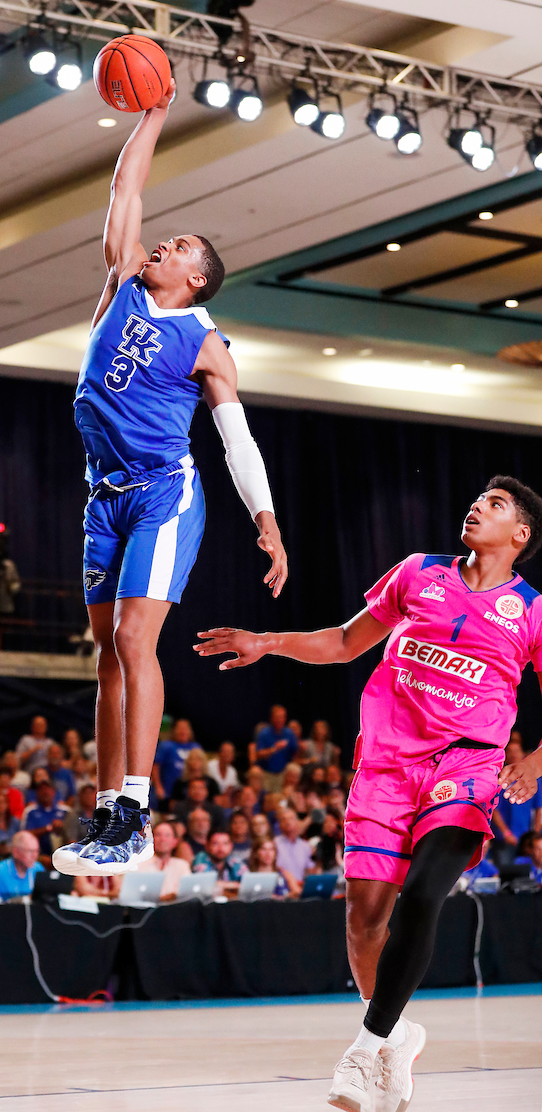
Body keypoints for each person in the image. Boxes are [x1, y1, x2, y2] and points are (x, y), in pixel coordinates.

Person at [195, 474, 542, 1112]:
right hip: (383, 766)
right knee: (364, 920)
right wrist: (266, 643)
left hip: (464, 769)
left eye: (494, 506)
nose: (475, 506)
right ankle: (397, 1035)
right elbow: (344, 642)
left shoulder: (533, 611)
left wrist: (538, 758)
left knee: (424, 892)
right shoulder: (417, 573)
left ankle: (364, 1047)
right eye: (476, 498)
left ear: (520, 535)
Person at [53, 78, 286, 879]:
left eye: (181, 246)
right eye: (169, 238)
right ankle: (105, 812)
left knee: (132, 638)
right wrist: (152, 113)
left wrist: (265, 518)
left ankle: (135, 811)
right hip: (105, 497)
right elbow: (127, 187)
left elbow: (235, 436)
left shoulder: (204, 340)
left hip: (164, 490)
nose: (164, 244)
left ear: (196, 279)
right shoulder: (121, 280)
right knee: (104, 657)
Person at [490, 740, 542, 865]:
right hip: (504, 839)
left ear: (523, 753)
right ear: (505, 754)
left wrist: (534, 833)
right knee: (506, 874)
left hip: (527, 840)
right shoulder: (499, 778)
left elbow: (538, 807)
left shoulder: (534, 778)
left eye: (516, 751)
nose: (513, 754)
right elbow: (494, 809)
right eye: (510, 751)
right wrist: (505, 832)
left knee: (530, 875)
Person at [151, 720, 203, 804]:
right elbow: (155, 766)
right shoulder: (166, 746)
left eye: (185, 728)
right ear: (174, 730)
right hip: (167, 791)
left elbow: (202, 769)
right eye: (180, 728)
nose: (183, 731)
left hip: (188, 794)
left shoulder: (195, 747)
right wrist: (158, 786)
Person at [136, 821, 190, 898]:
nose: (162, 839)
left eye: (167, 835)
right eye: (158, 835)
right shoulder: (139, 865)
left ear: (175, 841)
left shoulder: (182, 865)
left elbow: (187, 892)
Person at [21, 779, 70, 866]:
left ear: (54, 792)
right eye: (41, 789)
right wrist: (48, 828)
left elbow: (73, 835)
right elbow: (25, 835)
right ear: (36, 793)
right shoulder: (30, 811)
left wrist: (63, 827)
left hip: (64, 855)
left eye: (48, 789)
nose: (45, 792)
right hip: (39, 854)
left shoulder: (66, 811)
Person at [0, 831, 45, 900]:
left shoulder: (38, 869)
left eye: (37, 851)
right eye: (30, 851)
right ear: (16, 852)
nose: (35, 856)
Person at [254, 705, 298, 787]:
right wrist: (274, 749)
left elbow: (295, 752)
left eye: (282, 717)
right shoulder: (264, 733)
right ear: (272, 718)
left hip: (282, 773)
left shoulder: (289, 733)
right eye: (277, 717)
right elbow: (258, 754)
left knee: (294, 769)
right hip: (266, 773)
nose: (280, 720)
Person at [192, 829, 246, 894]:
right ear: (207, 845)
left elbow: (248, 883)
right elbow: (203, 883)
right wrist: (234, 885)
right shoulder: (201, 858)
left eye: (225, 844)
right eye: (215, 844)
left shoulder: (234, 860)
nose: (221, 848)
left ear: (231, 846)